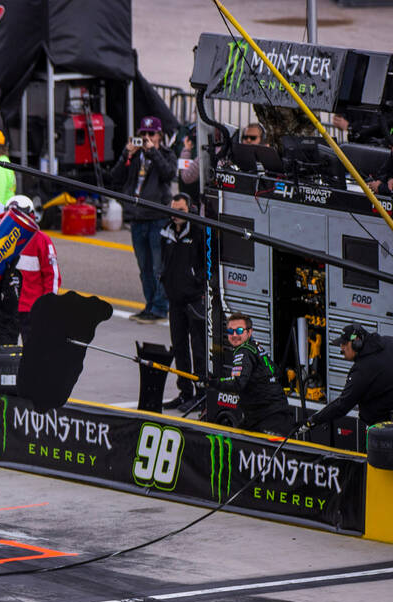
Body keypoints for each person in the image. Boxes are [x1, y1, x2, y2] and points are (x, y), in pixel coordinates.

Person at [110, 115, 176, 324]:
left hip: (157, 217)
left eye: (151, 134)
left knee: (158, 267)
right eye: (143, 134)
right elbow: (115, 177)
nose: (146, 138)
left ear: (159, 136)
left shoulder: (166, 154)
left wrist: (153, 152)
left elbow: (168, 174)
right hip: (137, 218)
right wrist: (126, 154)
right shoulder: (134, 156)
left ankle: (159, 308)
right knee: (144, 267)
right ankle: (149, 305)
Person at [204, 313, 293, 436]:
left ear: (249, 332)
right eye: (231, 331)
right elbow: (276, 372)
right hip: (265, 415)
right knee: (237, 443)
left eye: (239, 330)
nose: (234, 335)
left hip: (269, 418)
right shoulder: (255, 346)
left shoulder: (243, 351)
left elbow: (238, 383)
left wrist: (211, 382)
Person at [159, 194, 207, 414]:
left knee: (198, 349)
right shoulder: (166, 230)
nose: (176, 215)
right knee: (179, 347)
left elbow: (207, 262)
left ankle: (201, 394)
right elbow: (163, 259)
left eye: (181, 210)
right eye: (174, 210)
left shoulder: (197, 231)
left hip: (194, 299)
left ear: (190, 210)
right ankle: (185, 392)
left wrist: (199, 282)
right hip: (175, 299)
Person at [307, 325, 393, 430]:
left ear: (356, 343)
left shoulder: (362, 370)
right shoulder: (388, 341)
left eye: (344, 344)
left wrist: (313, 420)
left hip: (384, 429)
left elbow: (342, 405)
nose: (341, 349)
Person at [5, 196, 60, 344]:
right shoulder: (2, 240)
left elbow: (52, 276)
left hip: (33, 310)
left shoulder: (42, 240)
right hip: (8, 309)